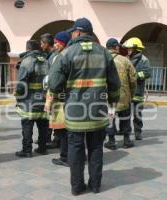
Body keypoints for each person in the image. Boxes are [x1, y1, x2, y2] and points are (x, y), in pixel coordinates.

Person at [49, 18, 121, 195]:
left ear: (78, 32)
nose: (72, 34)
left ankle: (77, 187)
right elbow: (114, 84)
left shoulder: (67, 54)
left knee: (75, 149)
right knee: (96, 149)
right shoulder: (104, 53)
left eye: (73, 32)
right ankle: (95, 185)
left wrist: (62, 96)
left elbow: (53, 84)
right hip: (98, 111)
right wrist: (111, 107)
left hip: (75, 113)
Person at [15, 40, 49, 158]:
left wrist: (18, 96)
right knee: (43, 124)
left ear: (28, 49)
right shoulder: (45, 60)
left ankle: (27, 150)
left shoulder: (27, 61)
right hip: (44, 98)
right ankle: (43, 148)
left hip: (29, 99)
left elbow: (21, 83)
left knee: (27, 125)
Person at [104, 38, 137, 150]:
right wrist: (131, 94)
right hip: (124, 96)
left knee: (110, 118)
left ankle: (111, 141)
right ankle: (126, 140)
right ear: (116, 47)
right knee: (125, 118)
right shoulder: (125, 61)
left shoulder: (102, 59)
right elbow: (133, 79)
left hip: (109, 97)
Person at [44, 31, 70, 167]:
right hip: (70, 98)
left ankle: (65, 156)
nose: (55, 45)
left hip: (60, 99)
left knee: (62, 130)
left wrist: (49, 100)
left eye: (56, 43)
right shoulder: (69, 55)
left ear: (63, 43)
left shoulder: (60, 57)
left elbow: (53, 82)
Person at [123, 37, 151, 140]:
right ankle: (126, 131)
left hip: (138, 92)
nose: (128, 50)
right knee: (125, 114)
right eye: (128, 49)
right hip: (127, 92)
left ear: (136, 49)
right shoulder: (126, 59)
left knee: (137, 114)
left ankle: (138, 132)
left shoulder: (144, 60)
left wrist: (134, 76)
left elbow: (147, 73)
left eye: (130, 49)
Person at [40, 33, 60, 148]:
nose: (41, 46)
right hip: (49, 89)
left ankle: (56, 139)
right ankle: (48, 137)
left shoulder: (54, 56)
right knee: (50, 114)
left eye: (42, 43)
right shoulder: (50, 55)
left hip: (53, 90)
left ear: (47, 44)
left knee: (54, 114)